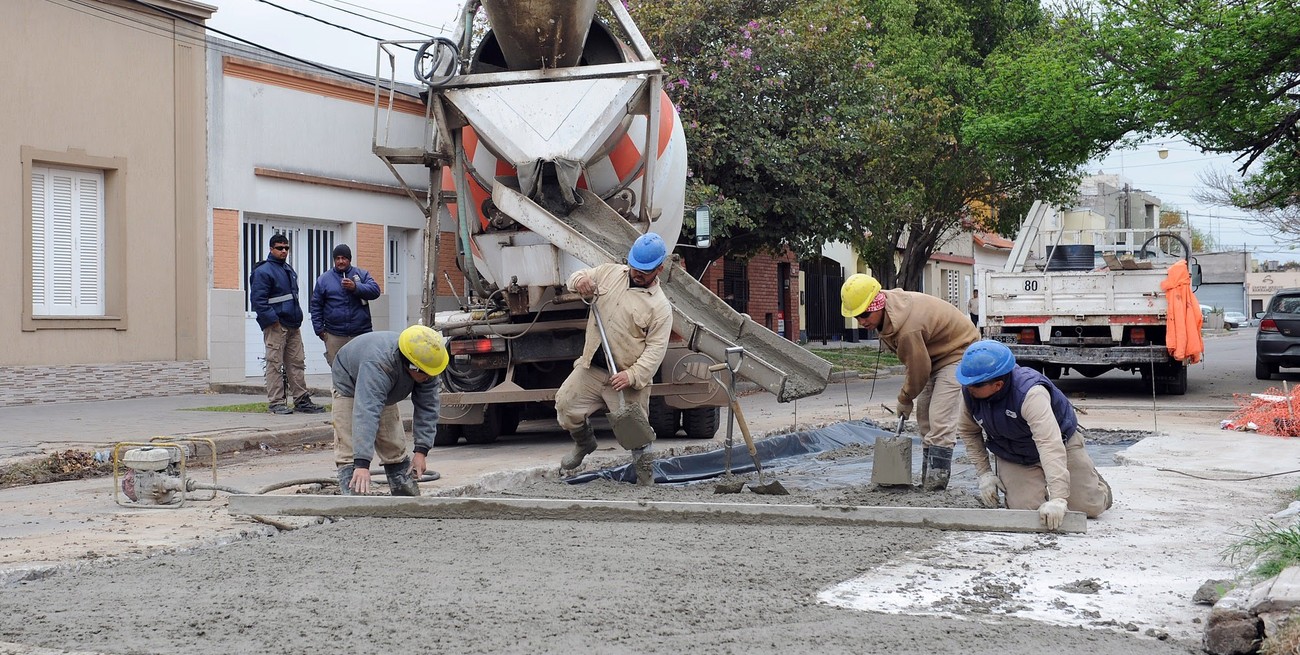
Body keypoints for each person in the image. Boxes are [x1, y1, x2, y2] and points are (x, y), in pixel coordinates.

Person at [953, 340, 1112, 530]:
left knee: (1088, 507)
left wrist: (1058, 498)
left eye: (975, 385)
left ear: (997, 384)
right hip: (1014, 454)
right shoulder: (970, 393)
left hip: (1060, 444)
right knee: (1025, 512)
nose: (968, 388)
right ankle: (1038, 485)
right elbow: (969, 432)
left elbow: (1049, 443)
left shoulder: (1030, 393)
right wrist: (984, 473)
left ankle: (1096, 485)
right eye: (967, 382)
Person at [841, 273, 979, 490]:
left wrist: (905, 398)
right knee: (924, 417)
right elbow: (917, 364)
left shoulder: (907, 328)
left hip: (958, 351)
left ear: (877, 304)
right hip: (933, 353)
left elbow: (918, 368)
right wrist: (910, 397)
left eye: (865, 314)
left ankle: (936, 486)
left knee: (940, 418)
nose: (862, 321)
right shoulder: (887, 310)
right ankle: (928, 478)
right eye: (857, 316)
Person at [556, 232, 674, 484]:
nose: (637, 273)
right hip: (592, 367)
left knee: (636, 432)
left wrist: (631, 375)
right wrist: (581, 282)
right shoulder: (610, 273)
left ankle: (645, 478)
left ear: (659, 269)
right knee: (566, 406)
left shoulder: (660, 308)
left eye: (644, 270)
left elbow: (655, 352)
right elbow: (576, 278)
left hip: (625, 376)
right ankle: (584, 443)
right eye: (634, 267)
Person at [332, 325, 447, 496]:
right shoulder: (379, 365)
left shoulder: (427, 365)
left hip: (386, 385)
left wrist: (421, 451)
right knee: (349, 446)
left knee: (393, 443)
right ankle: (354, 496)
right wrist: (362, 464)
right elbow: (366, 411)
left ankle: (404, 492)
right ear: (412, 366)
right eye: (425, 375)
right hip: (349, 381)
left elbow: (428, 407)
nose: (429, 378)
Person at [249, 233, 325, 415]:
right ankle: (276, 402)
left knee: (297, 362)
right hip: (276, 326)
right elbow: (258, 301)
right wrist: (273, 321)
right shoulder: (263, 271)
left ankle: (301, 400)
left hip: (293, 324)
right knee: (274, 363)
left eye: (286, 248)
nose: (284, 251)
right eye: (279, 248)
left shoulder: (288, 269)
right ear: (271, 249)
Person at [310, 244, 382, 366]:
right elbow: (316, 305)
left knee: (362, 368)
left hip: (360, 333)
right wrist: (320, 330)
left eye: (344, 258)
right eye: (337, 258)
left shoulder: (361, 274)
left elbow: (375, 291)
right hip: (334, 334)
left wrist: (356, 287)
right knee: (339, 371)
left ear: (349, 259)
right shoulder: (324, 279)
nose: (341, 261)